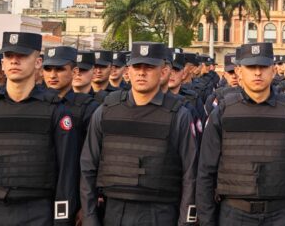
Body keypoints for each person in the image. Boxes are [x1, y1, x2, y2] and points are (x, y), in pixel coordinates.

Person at [196, 42, 285, 225]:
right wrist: (207, 220)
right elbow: (206, 171)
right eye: (251, 67)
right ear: (239, 71)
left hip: (280, 214)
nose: (257, 73)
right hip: (234, 214)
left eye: (263, 67)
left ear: (273, 71)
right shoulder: (222, 113)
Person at [80, 42, 198, 226]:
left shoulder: (179, 115)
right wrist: (89, 217)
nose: (142, 73)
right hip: (114, 212)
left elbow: (190, 174)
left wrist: (185, 222)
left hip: (161, 213)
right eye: (137, 67)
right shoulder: (106, 111)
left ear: (164, 71)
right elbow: (88, 167)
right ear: (129, 71)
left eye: (149, 67)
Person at [0, 32, 79, 224]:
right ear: (2, 64)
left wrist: (62, 219)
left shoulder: (56, 111)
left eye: (22, 56)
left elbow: (67, 172)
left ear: (38, 62)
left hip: (36, 211)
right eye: (9, 56)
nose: (14, 61)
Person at [43, 46, 100, 150]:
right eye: (48, 69)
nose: (52, 75)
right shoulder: (36, 103)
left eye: (59, 69)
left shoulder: (88, 107)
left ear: (74, 72)